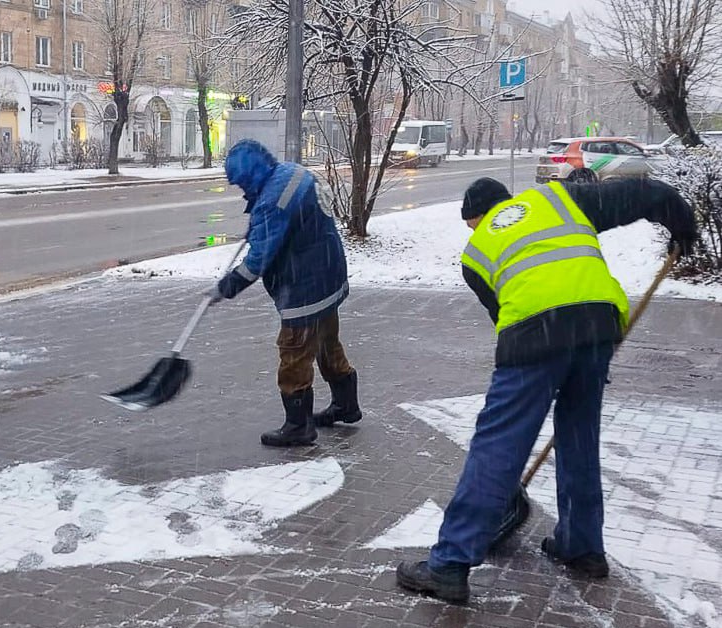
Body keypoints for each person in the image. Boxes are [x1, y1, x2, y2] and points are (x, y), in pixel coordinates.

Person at [396, 175, 699, 603]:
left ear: (477, 218)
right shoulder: (558, 199)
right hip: (596, 324)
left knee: (498, 445)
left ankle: (449, 563)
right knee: (578, 435)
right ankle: (582, 547)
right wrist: (681, 223)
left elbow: (503, 314)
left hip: (534, 334)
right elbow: (643, 193)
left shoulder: (476, 254)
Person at [208, 139, 361, 446]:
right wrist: (258, 219)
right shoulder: (292, 173)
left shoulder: (273, 202)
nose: (241, 190)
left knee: (293, 354)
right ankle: (346, 405)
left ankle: (298, 426)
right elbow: (288, 217)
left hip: (304, 288)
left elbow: (259, 259)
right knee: (327, 344)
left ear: (251, 174)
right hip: (328, 276)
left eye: (242, 184)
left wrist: (229, 285)